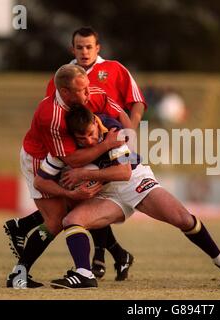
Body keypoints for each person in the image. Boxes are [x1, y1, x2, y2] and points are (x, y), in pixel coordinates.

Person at [34, 104, 220, 289]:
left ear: (95, 122)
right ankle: (83, 274)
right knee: (71, 221)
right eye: (83, 138)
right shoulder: (65, 146)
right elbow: (40, 181)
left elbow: (123, 172)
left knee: (183, 219)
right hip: (107, 194)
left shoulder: (110, 128)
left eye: (91, 134)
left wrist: (84, 173)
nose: (90, 141)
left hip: (135, 181)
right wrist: (69, 192)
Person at [5, 64, 132, 288]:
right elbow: (71, 161)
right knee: (55, 220)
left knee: (77, 208)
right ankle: (19, 274)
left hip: (70, 155)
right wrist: (108, 146)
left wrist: (128, 138)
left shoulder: (90, 93)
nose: (88, 94)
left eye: (87, 88)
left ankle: (24, 231)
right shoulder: (51, 116)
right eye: (81, 91)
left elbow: (120, 113)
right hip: (41, 156)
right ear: (64, 92)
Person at [45, 26, 146, 279]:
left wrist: (128, 135)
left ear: (97, 48)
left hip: (112, 144)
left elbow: (137, 102)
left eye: (89, 46)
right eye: (79, 47)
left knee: (93, 194)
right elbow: (55, 115)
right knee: (83, 197)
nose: (84, 51)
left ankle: (100, 256)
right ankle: (111, 255)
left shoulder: (114, 69)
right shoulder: (62, 76)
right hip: (81, 149)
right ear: (72, 49)